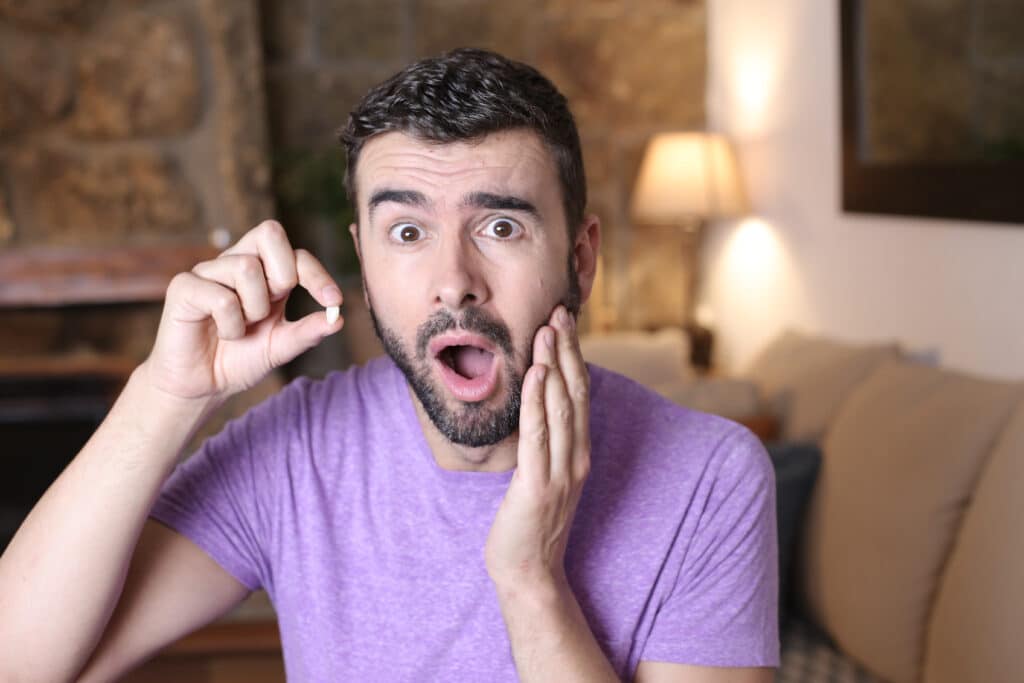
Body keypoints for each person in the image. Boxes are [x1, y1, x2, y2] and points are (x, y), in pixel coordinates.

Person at [0, 49, 778, 682]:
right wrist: (165, 392)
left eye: (501, 225)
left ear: (580, 259)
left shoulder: (708, 477)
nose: (453, 279)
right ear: (364, 264)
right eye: (407, 232)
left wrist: (530, 581)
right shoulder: (298, 449)